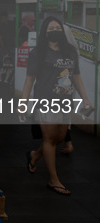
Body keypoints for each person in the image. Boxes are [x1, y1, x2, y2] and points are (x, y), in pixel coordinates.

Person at [21, 16, 93, 196]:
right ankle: (53, 180)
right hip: (45, 100)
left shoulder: (69, 51)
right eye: (51, 28)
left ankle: (35, 156)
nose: (55, 30)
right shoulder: (38, 53)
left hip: (65, 101)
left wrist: (85, 98)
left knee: (59, 137)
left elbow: (76, 76)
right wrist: (23, 102)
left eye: (57, 27)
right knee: (50, 139)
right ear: (45, 33)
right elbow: (30, 79)